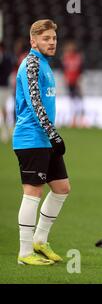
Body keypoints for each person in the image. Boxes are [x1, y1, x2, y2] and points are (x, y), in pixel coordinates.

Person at [13, 19, 71, 265]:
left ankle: (40, 240)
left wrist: (51, 136)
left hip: (44, 139)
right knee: (32, 192)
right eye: (46, 38)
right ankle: (25, 253)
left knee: (62, 188)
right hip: (31, 138)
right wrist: (54, 134)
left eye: (54, 38)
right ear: (33, 40)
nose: (51, 42)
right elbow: (35, 102)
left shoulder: (44, 64)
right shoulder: (32, 63)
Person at [62, 40, 84, 128]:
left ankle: (81, 119)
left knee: (79, 100)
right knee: (72, 101)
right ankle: (73, 119)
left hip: (77, 81)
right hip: (69, 82)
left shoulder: (78, 57)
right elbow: (64, 69)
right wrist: (65, 78)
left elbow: (81, 69)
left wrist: (80, 79)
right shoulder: (65, 57)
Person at [0, 41, 13, 143]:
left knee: (3, 108)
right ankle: (6, 128)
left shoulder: (7, 58)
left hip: (4, 87)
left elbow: (8, 71)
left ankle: (6, 128)